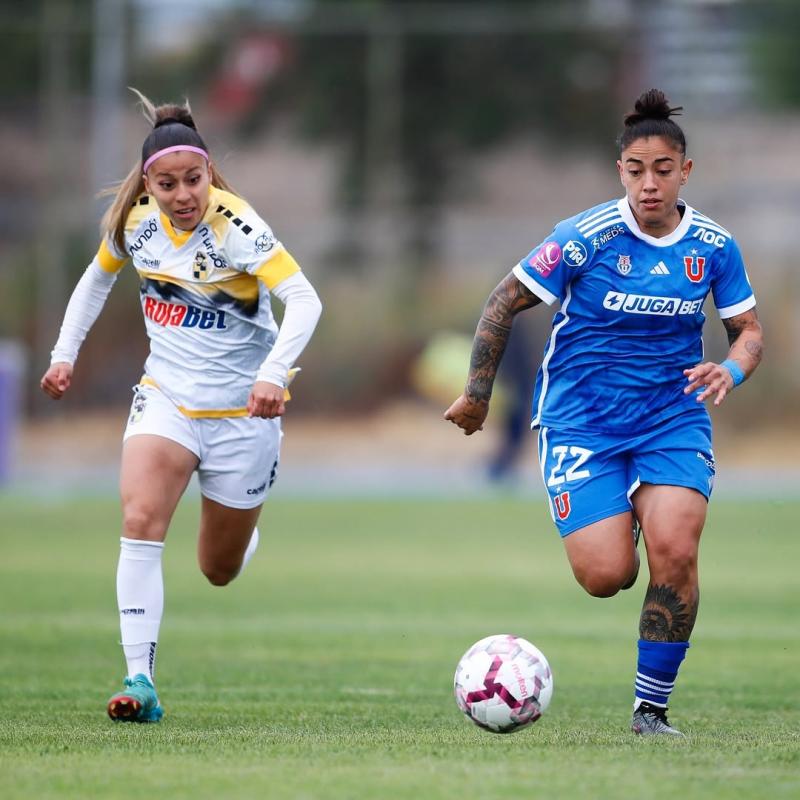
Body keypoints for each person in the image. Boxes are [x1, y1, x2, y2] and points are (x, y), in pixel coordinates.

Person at [445, 89, 763, 736]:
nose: (650, 184)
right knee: (606, 574)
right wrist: (477, 395)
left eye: (663, 170)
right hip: (581, 421)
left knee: (677, 550)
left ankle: (651, 711)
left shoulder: (714, 246)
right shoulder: (582, 238)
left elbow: (749, 332)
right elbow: (503, 301)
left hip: (671, 418)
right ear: (620, 171)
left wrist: (730, 369)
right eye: (637, 170)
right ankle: (628, 516)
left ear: (685, 171)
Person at [40, 90, 322, 723]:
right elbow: (96, 279)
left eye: (194, 179)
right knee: (140, 519)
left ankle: (241, 537)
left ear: (208, 172)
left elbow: (306, 300)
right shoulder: (136, 223)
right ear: (150, 184)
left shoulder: (237, 226)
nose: (184, 195)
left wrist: (273, 374)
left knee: (217, 568)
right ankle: (139, 681)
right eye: (168, 184)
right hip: (166, 399)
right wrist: (64, 354)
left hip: (244, 418)